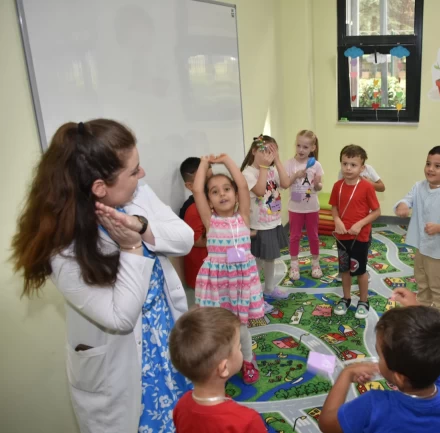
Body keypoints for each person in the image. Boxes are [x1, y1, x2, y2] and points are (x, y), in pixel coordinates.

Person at [11, 119, 194, 432]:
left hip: (165, 338)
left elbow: (185, 238)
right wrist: (131, 247)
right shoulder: (62, 248)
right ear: (99, 188)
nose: (142, 174)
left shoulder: (138, 194)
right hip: (120, 365)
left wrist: (143, 227)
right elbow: (120, 317)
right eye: (133, 171)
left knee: (183, 416)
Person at [318, 306, 440, 433]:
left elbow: (327, 423)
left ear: (399, 378)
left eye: (380, 355)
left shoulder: (374, 405)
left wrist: (346, 373)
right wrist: (424, 324)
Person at [193, 153, 265, 384]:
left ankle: (248, 359)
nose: (222, 194)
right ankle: (222, 360)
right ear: (209, 201)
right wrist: (204, 164)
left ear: (235, 195)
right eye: (215, 192)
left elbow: (243, 185)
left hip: (240, 282)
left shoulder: (243, 217)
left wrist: (226, 161)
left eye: (226, 189)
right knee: (219, 326)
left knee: (240, 327)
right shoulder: (210, 221)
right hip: (218, 283)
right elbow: (197, 191)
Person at [170, 307, 267, 433]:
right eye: (239, 347)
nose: (241, 348)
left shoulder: (181, 405)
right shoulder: (247, 420)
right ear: (224, 368)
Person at [394, 145, 440, 313]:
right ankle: (423, 312)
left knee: (437, 286)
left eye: (437, 166)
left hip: (438, 252)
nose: (430, 169)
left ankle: (439, 316)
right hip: (421, 247)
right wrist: (403, 205)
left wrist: (439, 227)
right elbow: (407, 199)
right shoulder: (419, 187)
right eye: (428, 164)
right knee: (422, 281)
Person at [330, 145, 380, 319]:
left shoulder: (367, 187)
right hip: (342, 236)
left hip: (360, 237)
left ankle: (363, 301)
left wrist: (360, 224)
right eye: (345, 164)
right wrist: (337, 220)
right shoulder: (337, 186)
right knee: (344, 269)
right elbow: (334, 208)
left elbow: (376, 212)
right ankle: (346, 298)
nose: (348, 168)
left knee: (359, 270)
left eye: (353, 165)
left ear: (362, 168)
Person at [241, 135, 291, 299]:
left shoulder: (272, 170)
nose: (268, 155)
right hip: (259, 226)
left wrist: (278, 161)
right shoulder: (248, 173)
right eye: (265, 151)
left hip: (274, 223)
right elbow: (260, 191)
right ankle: (253, 295)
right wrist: (263, 167)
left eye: (272, 152)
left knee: (270, 259)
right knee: (257, 262)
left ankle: (269, 288)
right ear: (254, 151)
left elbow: (285, 183)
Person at [285, 130, 324, 280]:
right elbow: (285, 183)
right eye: (298, 145)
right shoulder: (289, 164)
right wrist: (295, 175)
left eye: (305, 147)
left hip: (312, 207)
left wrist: (318, 184)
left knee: (313, 236)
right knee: (294, 236)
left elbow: (318, 187)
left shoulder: (316, 165)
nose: (301, 150)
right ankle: (294, 265)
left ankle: (315, 263)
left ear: (312, 148)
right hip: (295, 208)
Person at [178, 157, 210, 290]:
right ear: (190, 186)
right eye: (205, 179)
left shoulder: (211, 202)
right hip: (201, 275)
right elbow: (196, 240)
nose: (211, 182)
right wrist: (224, 235)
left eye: (211, 177)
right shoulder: (192, 209)